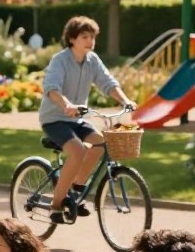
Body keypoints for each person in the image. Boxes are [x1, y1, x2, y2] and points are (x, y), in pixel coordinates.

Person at [39, 16, 136, 225]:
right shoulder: (60, 60)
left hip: (77, 118)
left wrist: (125, 100)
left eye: (92, 37)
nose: (90, 41)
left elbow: (108, 83)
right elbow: (52, 88)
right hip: (54, 118)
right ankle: (55, 205)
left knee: (101, 143)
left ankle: (76, 188)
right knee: (78, 150)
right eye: (85, 36)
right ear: (72, 39)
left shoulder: (92, 60)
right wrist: (66, 105)